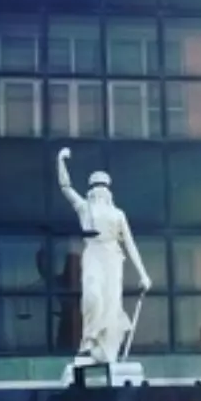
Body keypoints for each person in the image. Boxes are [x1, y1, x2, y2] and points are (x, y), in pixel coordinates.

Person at [57, 148, 151, 364]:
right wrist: (60, 161)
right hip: (93, 253)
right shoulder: (84, 208)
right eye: (96, 187)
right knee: (92, 296)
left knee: (110, 304)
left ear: (108, 191)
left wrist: (143, 274)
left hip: (112, 257)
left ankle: (105, 348)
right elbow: (65, 187)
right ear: (91, 191)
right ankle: (88, 342)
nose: (99, 191)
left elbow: (129, 244)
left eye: (103, 187)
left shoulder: (118, 214)